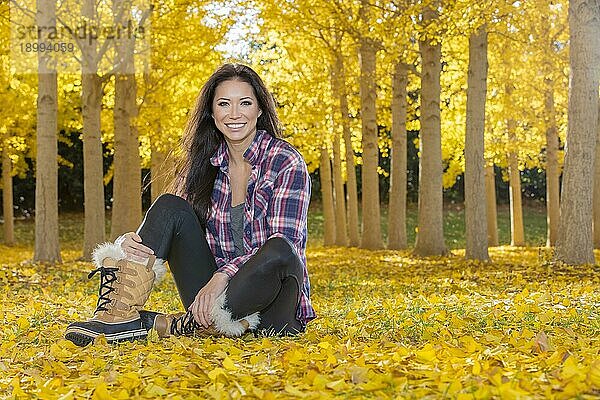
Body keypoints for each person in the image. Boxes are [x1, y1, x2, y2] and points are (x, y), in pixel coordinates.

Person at [65, 63, 316, 346]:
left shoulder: (285, 161)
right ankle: (118, 317)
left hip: (273, 306)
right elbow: (166, 221)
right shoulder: (202, 164)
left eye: (245, 103)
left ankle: (180, 325)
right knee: (169, 204)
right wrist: (126, 244)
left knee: (278, 249)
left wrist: (222, 276)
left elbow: (287, 245)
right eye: (224, 104)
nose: (234, 114)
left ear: (259, 109)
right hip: (210, 301)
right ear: (212, 112)